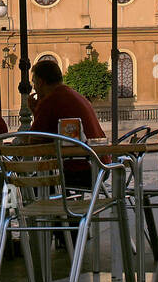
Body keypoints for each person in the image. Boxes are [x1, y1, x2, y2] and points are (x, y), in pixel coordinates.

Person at [28, 58, 104, 188]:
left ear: (41, 82)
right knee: (46, 183)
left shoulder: (51, 100)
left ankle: (52, 205)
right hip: (100, 166)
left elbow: (34, 140)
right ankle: (63, 203)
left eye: (34, 82)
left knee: (30, 186)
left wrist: (37, 110)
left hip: (81, 170)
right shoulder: (74, 94)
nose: (33, 87)